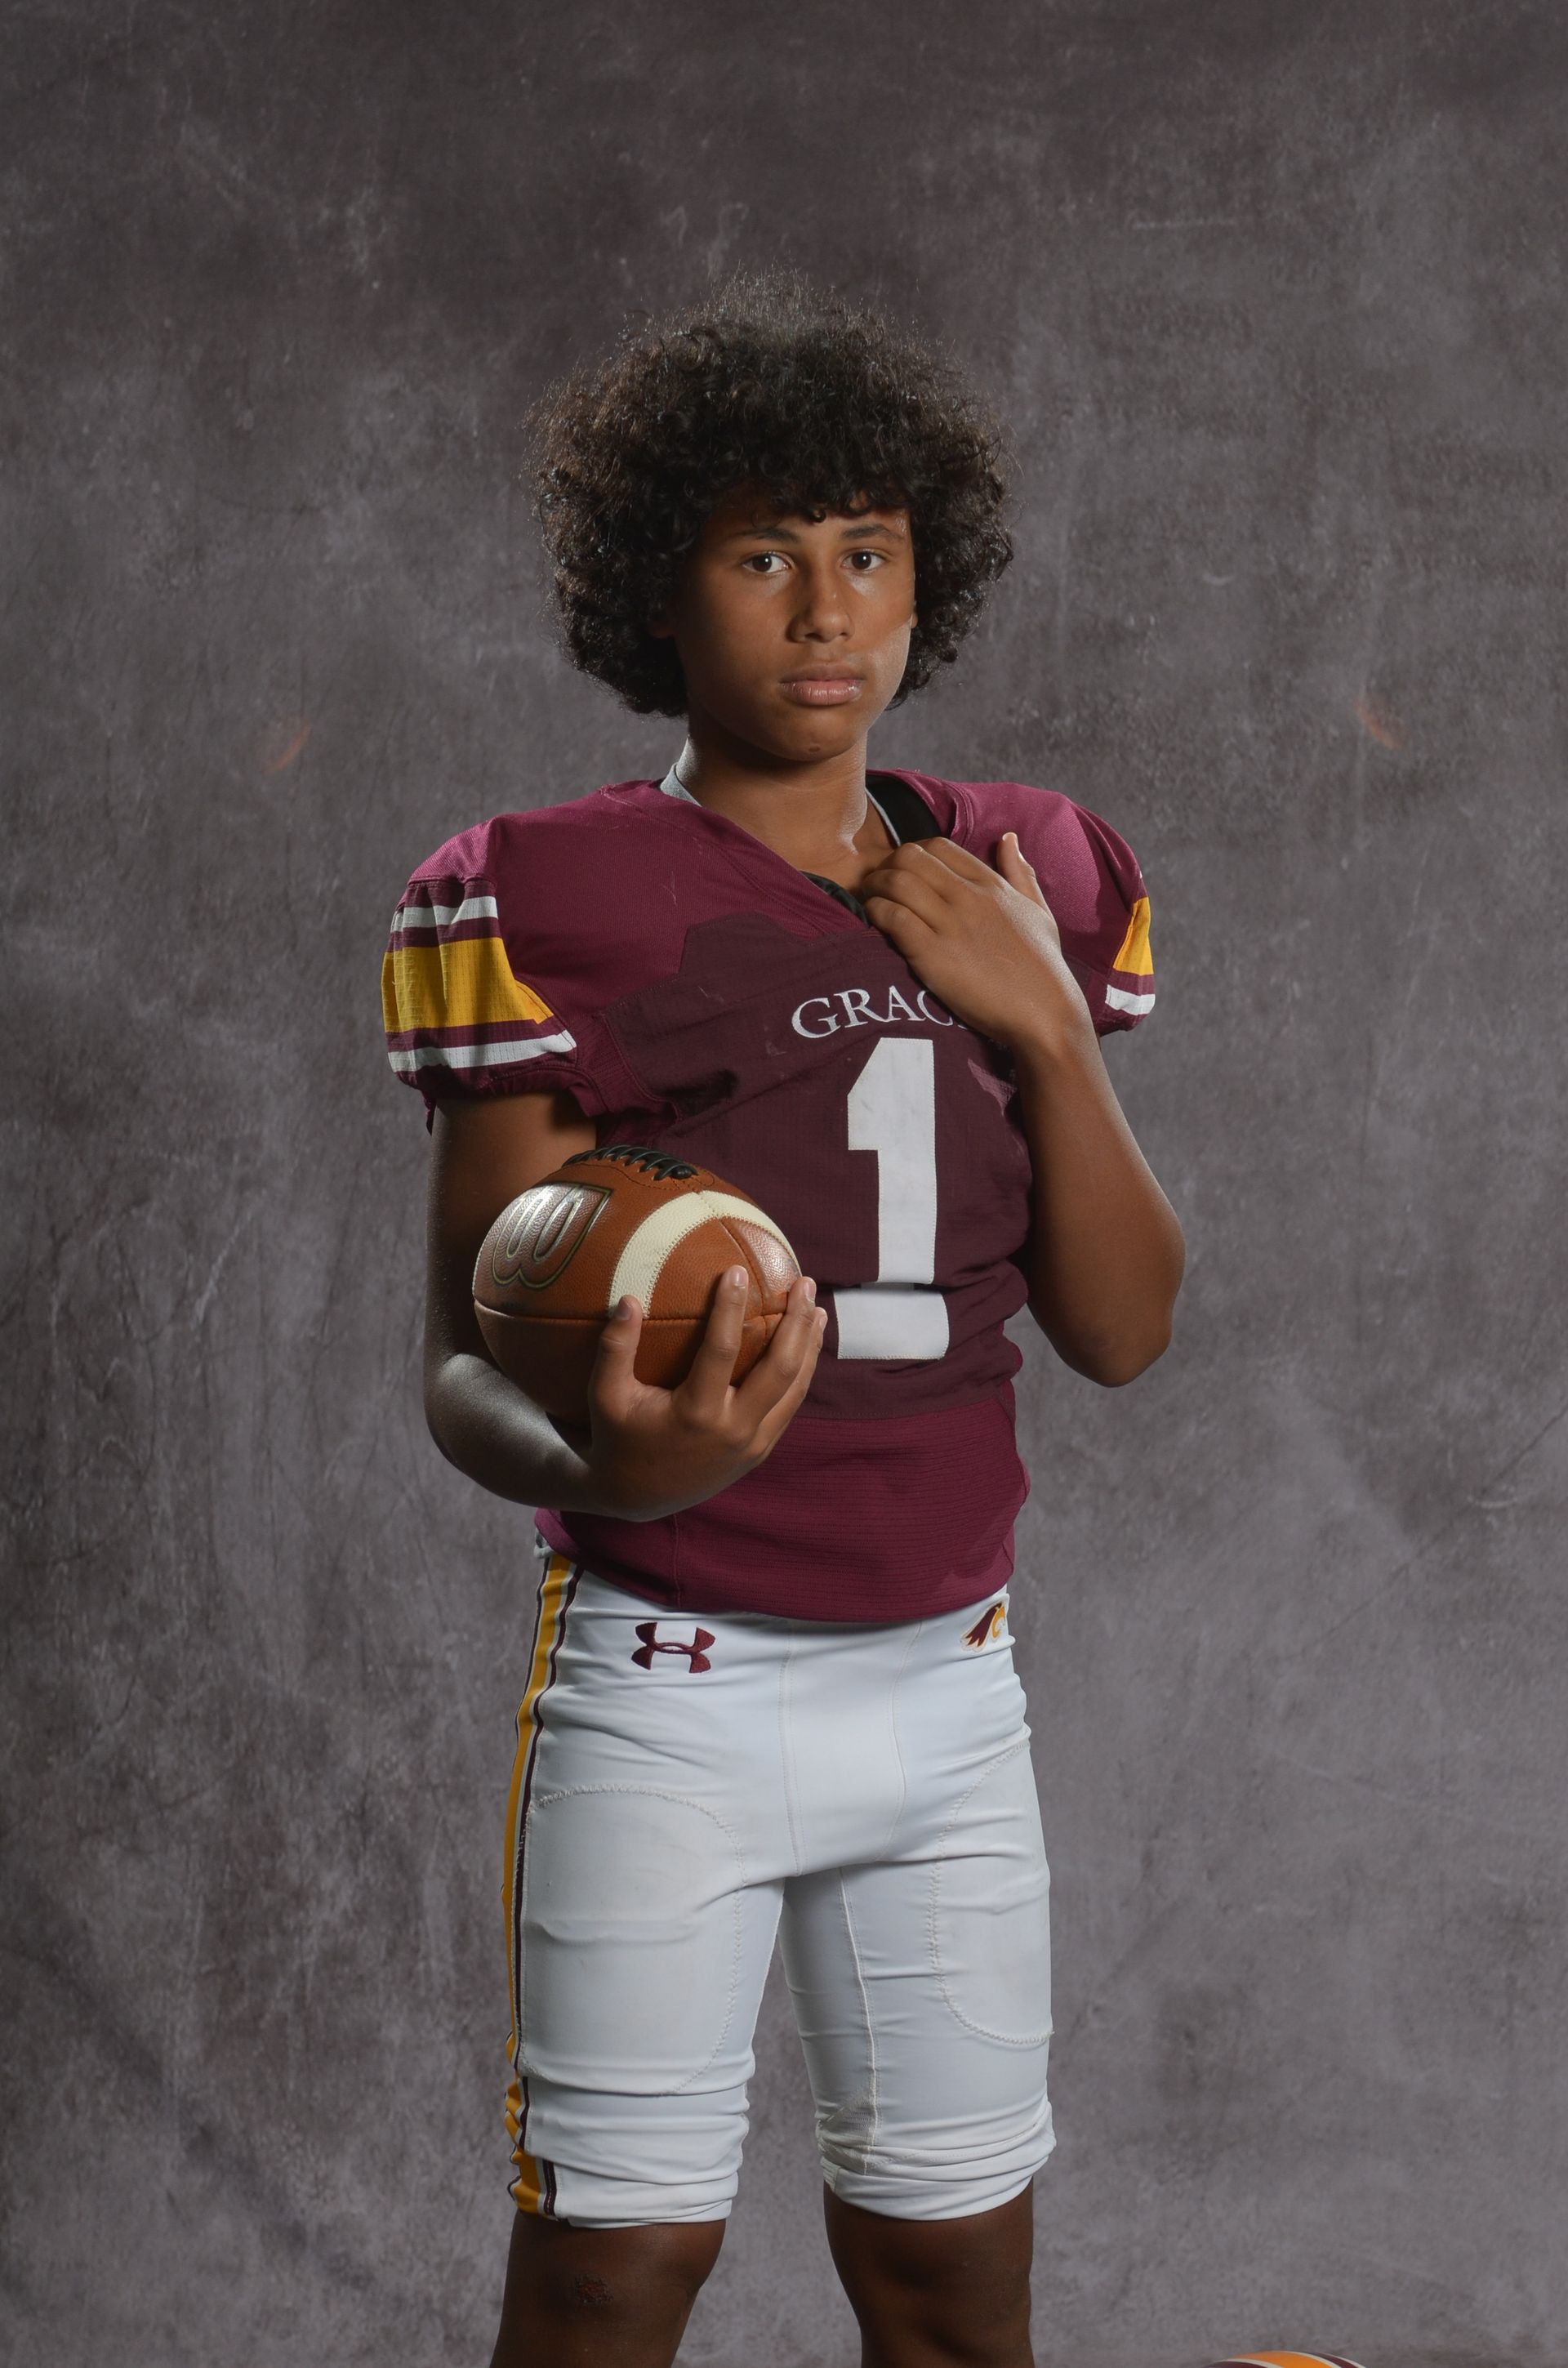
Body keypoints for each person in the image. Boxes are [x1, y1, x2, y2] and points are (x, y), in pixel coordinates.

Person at [382, 272, 1184, 2368]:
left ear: (933, 569)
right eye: (764, 557)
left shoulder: (1038, 870)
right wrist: (607, 1456)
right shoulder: (543, 887)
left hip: (953, 1691)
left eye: (867, 552)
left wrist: (1043, 1024)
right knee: (610, 2269)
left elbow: (1126, 1329)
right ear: (664, 588)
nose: (826, 612)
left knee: (949, 2275)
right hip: (674, 1682)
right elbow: (463, 1361)